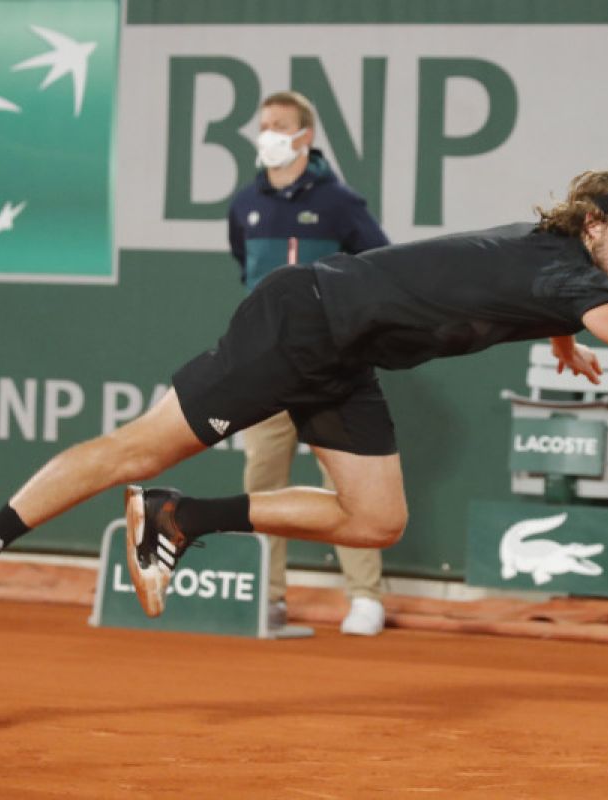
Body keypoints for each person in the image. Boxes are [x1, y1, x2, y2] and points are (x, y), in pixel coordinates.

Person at [0, 168, 608, 664]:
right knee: (134, 451)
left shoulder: (554, 264)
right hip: (301, 320)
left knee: (377, 518)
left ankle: (187, 519)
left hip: (346, 351)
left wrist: (557, 333)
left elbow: (504, 293)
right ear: (592, 225)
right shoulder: (563, 267)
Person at [228, 91, 390, 636]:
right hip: (265, 367)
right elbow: (244, 267)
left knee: (350, 485)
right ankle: (268, 596)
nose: (267, 133)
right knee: (263, 485)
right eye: (263, 124)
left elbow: (378, 266)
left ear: (305, 137)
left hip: (331, 366)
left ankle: (365, 598)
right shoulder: (244, 204)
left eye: (279, 125)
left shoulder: (341, 203)